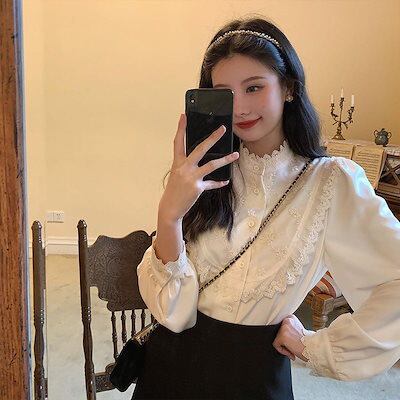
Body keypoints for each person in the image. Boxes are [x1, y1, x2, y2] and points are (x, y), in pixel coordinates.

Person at [132, 16, 400, 400]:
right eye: (225, 93)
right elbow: (173, 312)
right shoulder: (202, 173)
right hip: (169, 367)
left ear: (288, 88)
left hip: (253, 378)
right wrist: (169, 215)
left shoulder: (331, 183)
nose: (240, 107)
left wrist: (315, 346)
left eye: (254, 87)